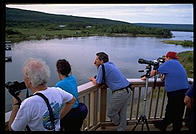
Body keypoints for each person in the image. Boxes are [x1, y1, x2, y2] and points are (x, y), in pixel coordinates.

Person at [8, 58, 76, 131]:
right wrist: (58, 118)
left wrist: (16, 104)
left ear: (29, 81)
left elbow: (12, 129)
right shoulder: (58, 91)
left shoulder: (28, 103)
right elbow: (72, 100)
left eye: (24, 76)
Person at [141, 51, 189, 131]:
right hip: (184, 91)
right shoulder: (177, 63)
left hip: (175, 92)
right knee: (178, 111)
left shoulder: (169, 63)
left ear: (168, 57)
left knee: (172, 111)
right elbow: (165, 76)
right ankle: (165, 125)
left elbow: (155, 72)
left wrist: (145, 77)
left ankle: (172, 127)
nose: (165, 60)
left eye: (165, 58)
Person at [90, 52, 132, 131]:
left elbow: (98, 82)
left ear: (102, 61)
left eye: (96, 59)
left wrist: (92, 79)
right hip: (127, 90)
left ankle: (119, 123)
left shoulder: (102, 67)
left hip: (120, 92)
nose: (94, 61)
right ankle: (121, 127)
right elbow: (107, 77)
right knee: (122, 113)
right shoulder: (111, 64)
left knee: (111, 113)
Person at [56, 59, 86, 131]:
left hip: (68, 113)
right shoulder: (73, 78)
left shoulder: (59, 85)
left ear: (58, 71)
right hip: (78, 111)